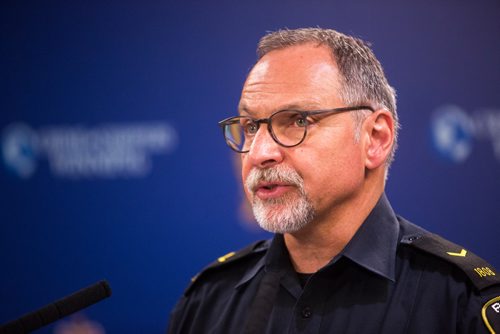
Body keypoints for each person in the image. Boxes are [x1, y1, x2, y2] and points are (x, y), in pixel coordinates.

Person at [168, 28, 500, 333]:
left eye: (297, 120)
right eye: (251, 126)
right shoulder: (207, 301)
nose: (259, 152)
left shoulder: (457, 301)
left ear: (375, 138)